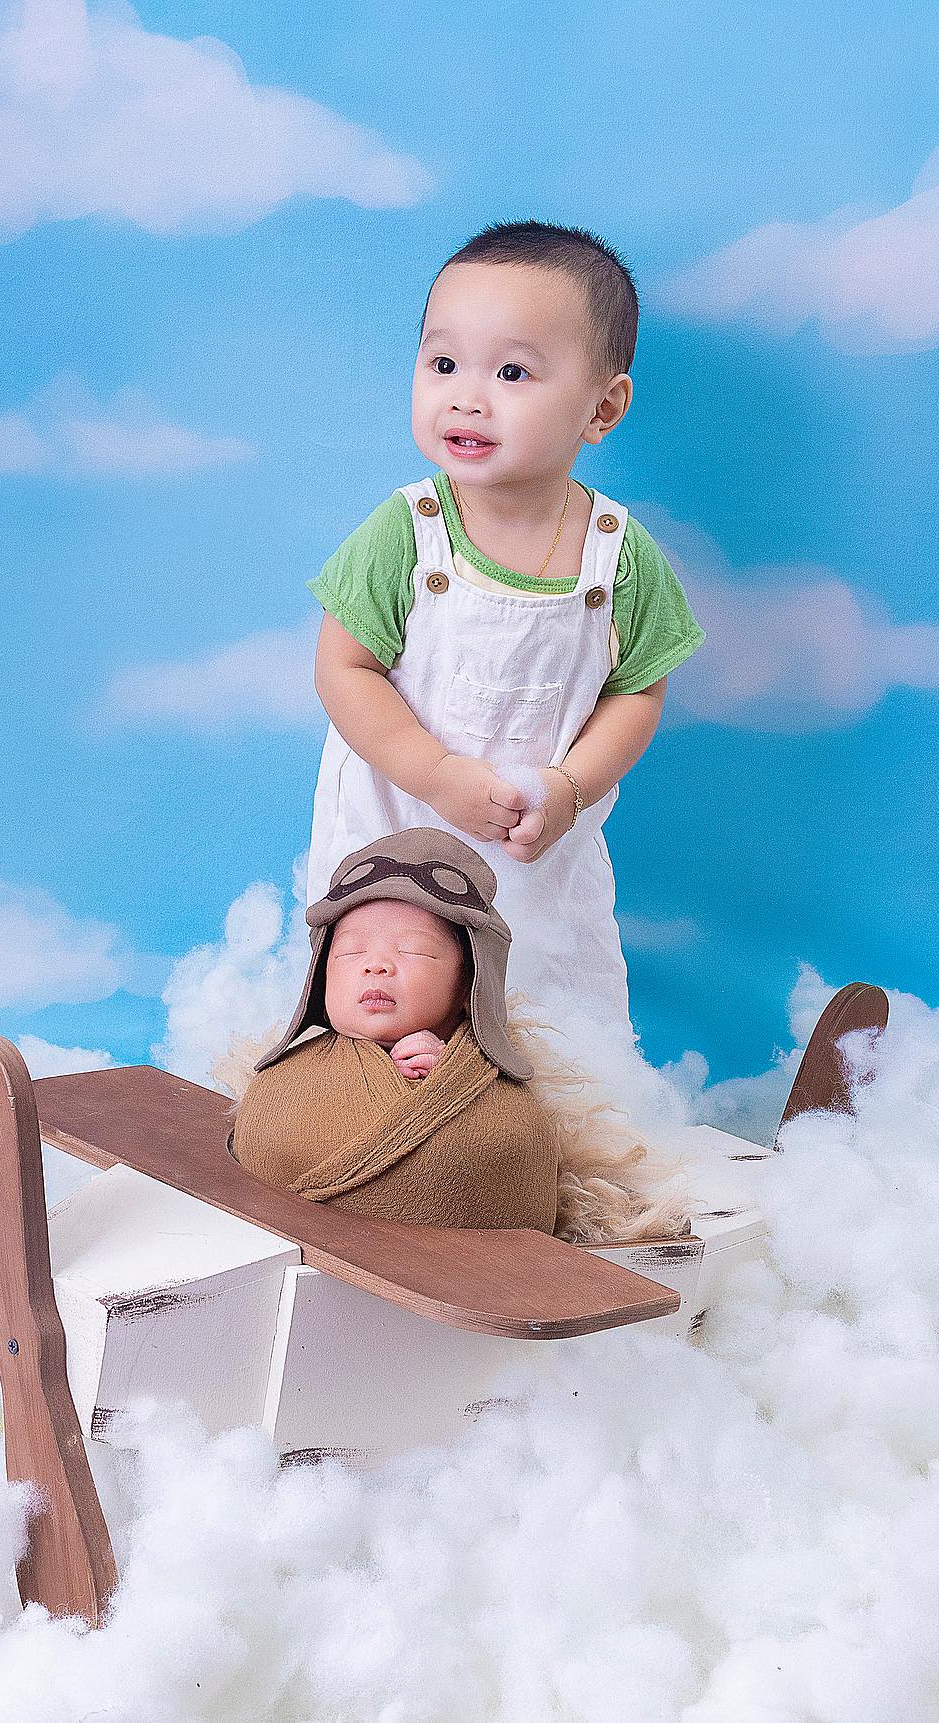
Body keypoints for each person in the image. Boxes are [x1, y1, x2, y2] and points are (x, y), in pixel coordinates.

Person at [306, 220, 706, 1046]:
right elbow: (343, 668)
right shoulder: (407, 533)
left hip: (539, 856)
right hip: (399, 834)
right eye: (443, 363)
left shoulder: (618, 555)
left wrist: (570, 789)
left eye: (512, 371)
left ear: (603, 407)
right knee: (380, 1014)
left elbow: (637, 692)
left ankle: (539, 1147)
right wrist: (438, 772)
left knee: (552, 1030)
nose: (465, 396)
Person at [225, 828, 692, 1243]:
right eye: (351, 951)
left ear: (468, 983)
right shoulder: (288, 1079)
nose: (376, 964)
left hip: (452, 1252)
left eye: (411, 950)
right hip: (297, 1226)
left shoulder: (476, 1076)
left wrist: (443, 1070)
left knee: (486, 1144)